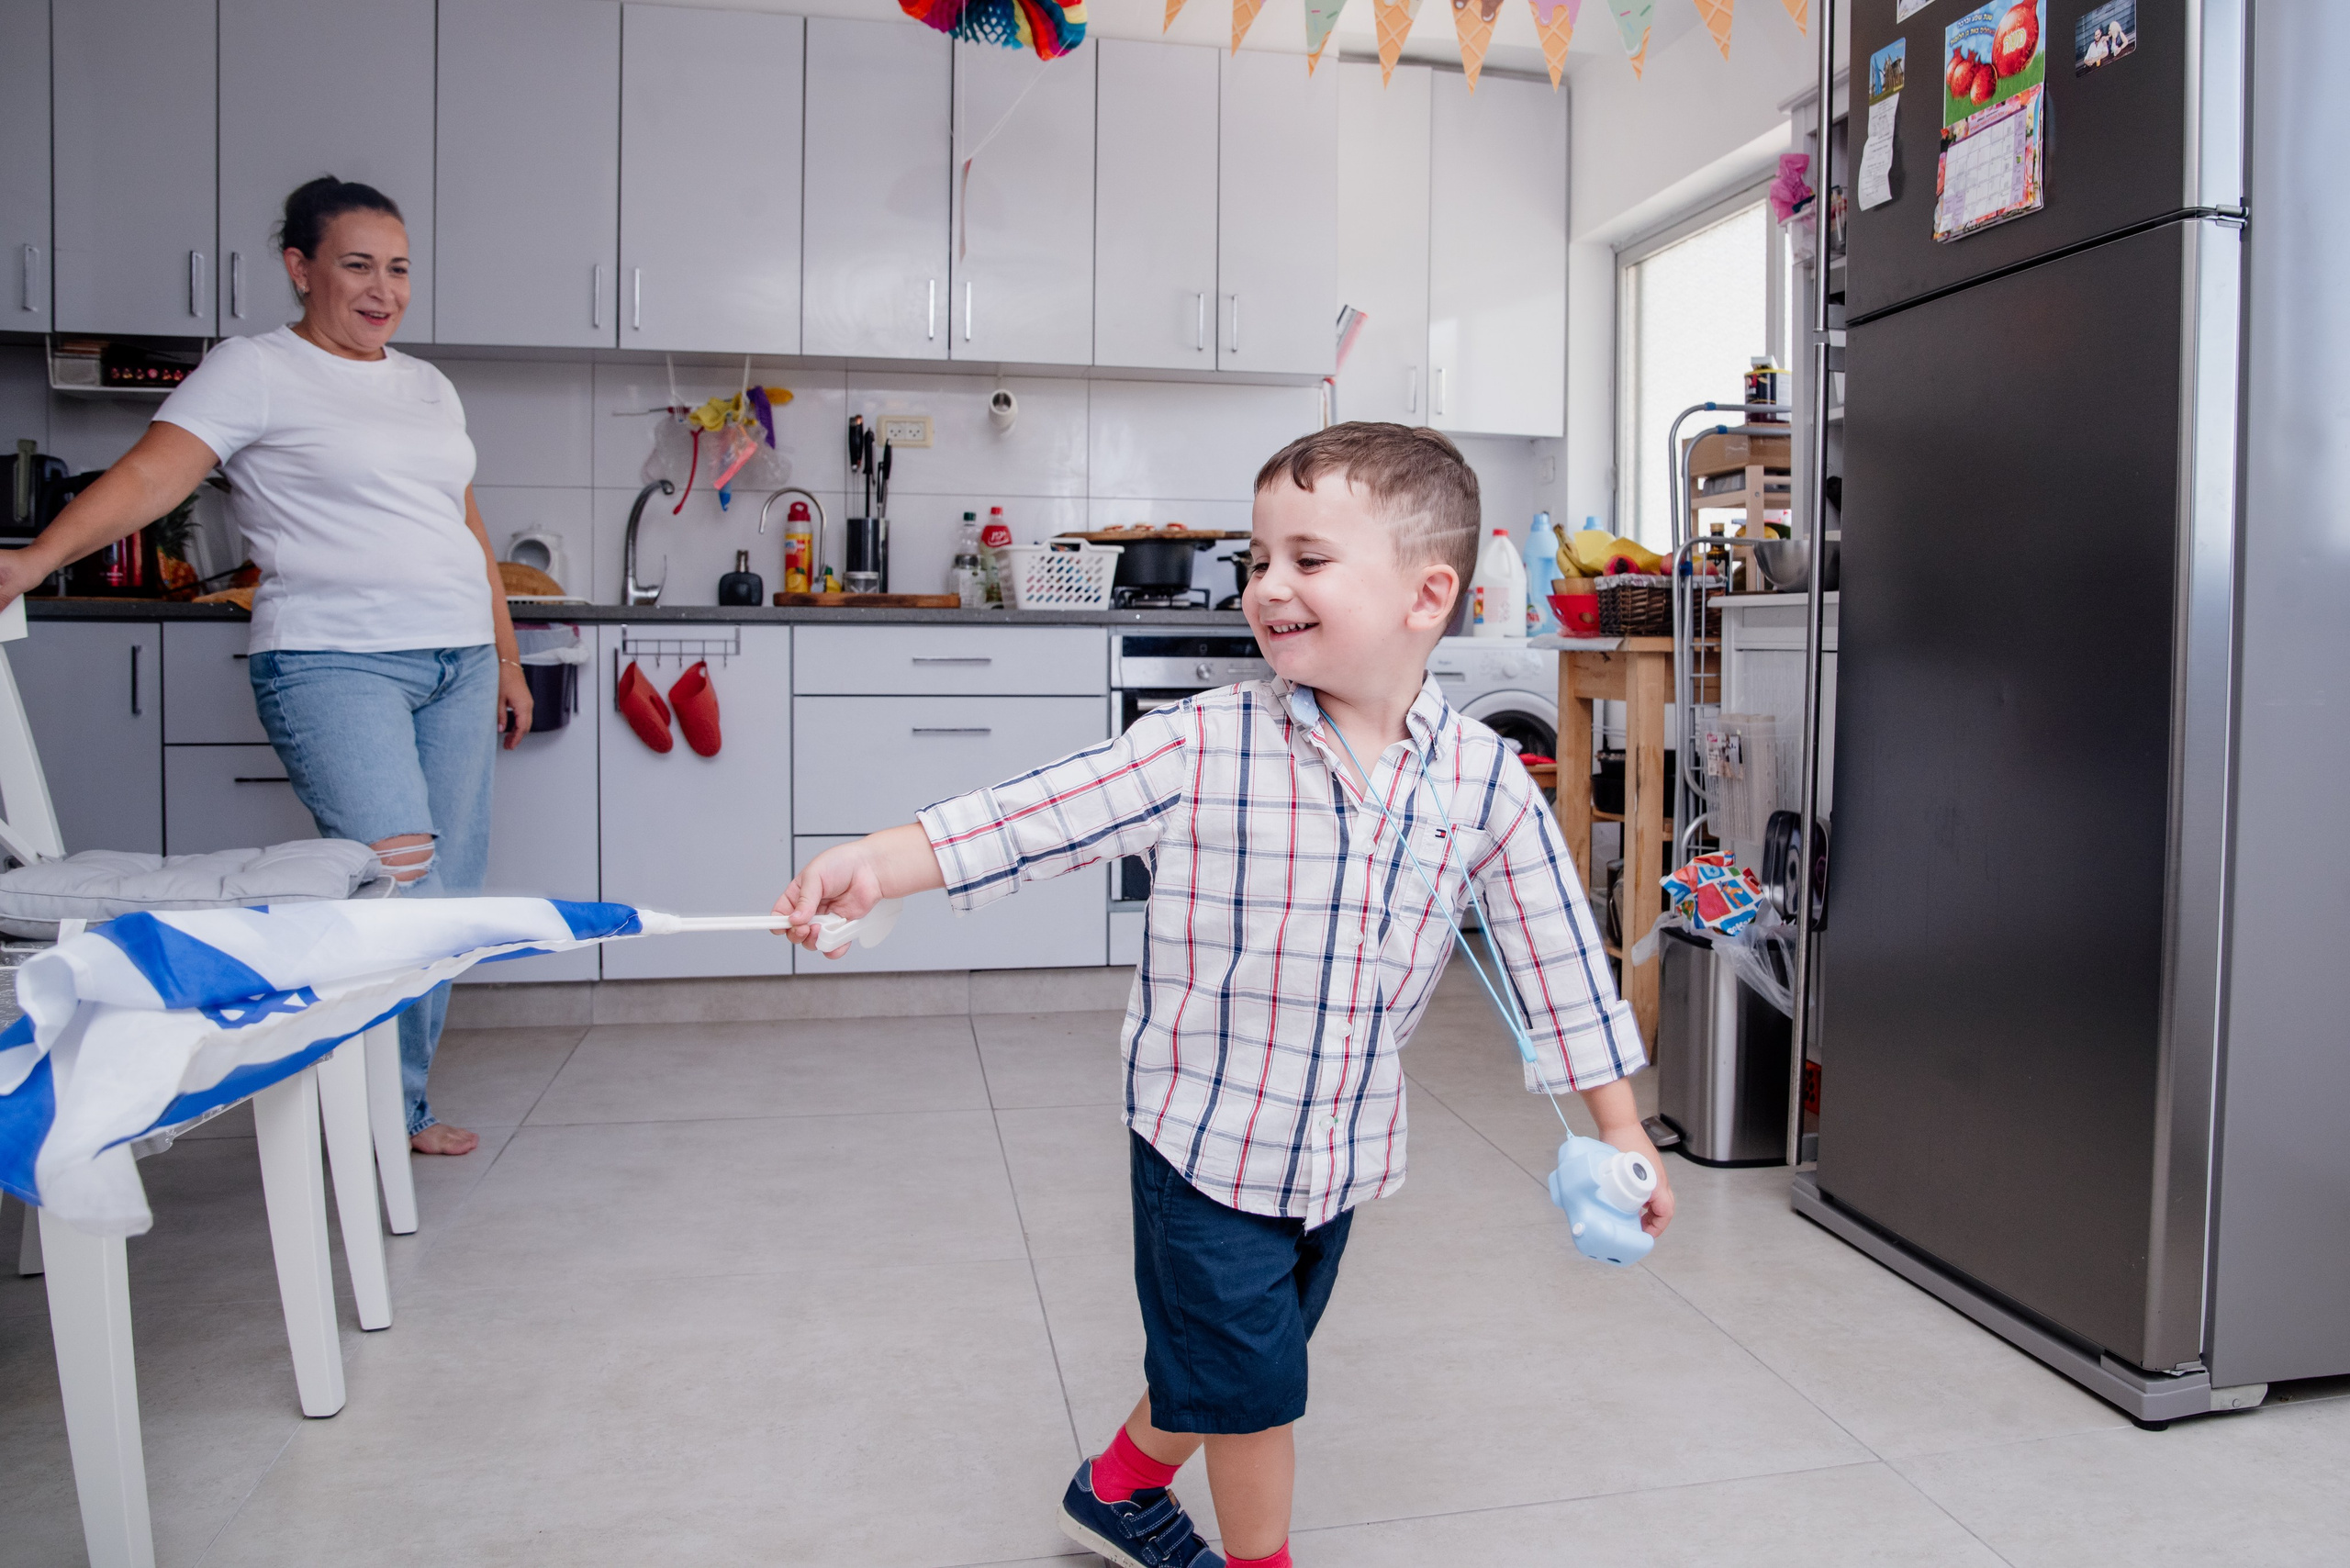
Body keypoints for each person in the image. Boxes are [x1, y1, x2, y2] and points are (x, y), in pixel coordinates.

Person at [774, 423, 1673, 1568]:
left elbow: (1553, 959)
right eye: (1259, 561)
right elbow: (1034, 813)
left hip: (1338, 1152)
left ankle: (1114, 1488)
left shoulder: (1483, 780)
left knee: (1228, 1362)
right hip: (1204, 1146)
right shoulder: (1204, 742)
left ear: (1427, 594)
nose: (1268, 587)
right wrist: (882, 859)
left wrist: (1617, 1126)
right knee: (1253, 1392)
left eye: (1308, 558)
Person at [0, 176, 531, 1157]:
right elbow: (154, 474)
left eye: (400, 269)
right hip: (336, 664)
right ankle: (362, 1113)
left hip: (456, 661)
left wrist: (504, 656)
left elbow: (463, 521)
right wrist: (35, 559)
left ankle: (398, 1109)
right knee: (393, 886)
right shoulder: (254, 368)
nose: (384, 291)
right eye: (358, 266)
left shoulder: (427, 385)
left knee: (448, 895)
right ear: (300, 268)